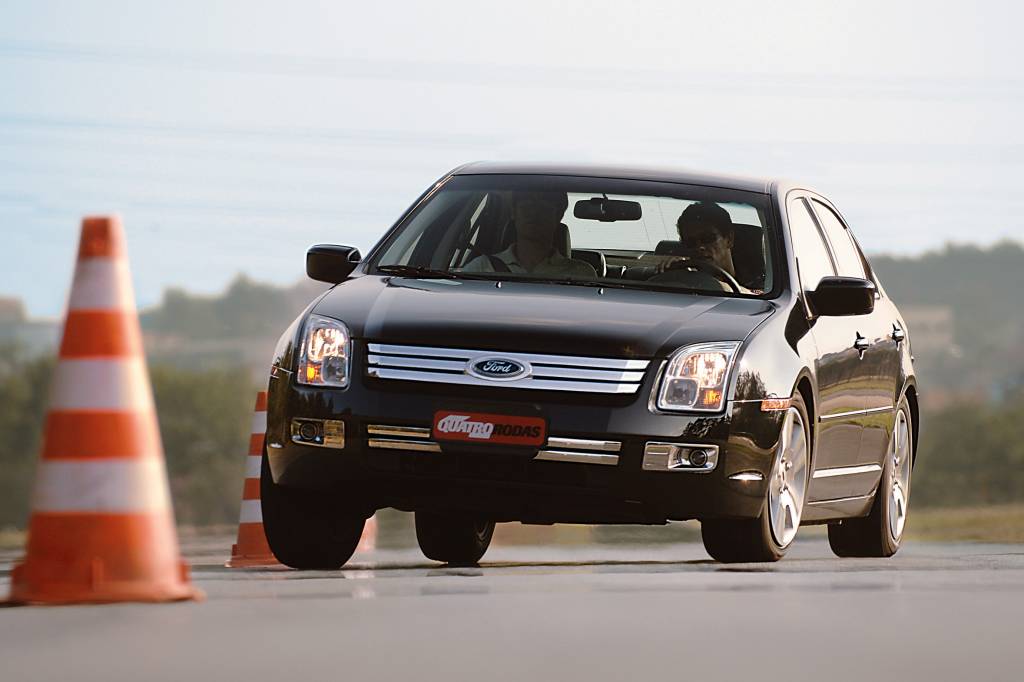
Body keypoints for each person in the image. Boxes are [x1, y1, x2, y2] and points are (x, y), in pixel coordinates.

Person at [461, 191, 596, 277]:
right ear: (514, 213)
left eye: (543, 208)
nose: (534, 215)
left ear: (558, 215)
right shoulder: (480, 268)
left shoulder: (581, 274)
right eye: (526, 207)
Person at [656, 201, 753, 292]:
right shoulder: (683, 282)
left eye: (708, 238)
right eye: (690, 243)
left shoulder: (756, 280)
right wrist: (674, 276)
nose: (700, 247)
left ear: (729, 239)